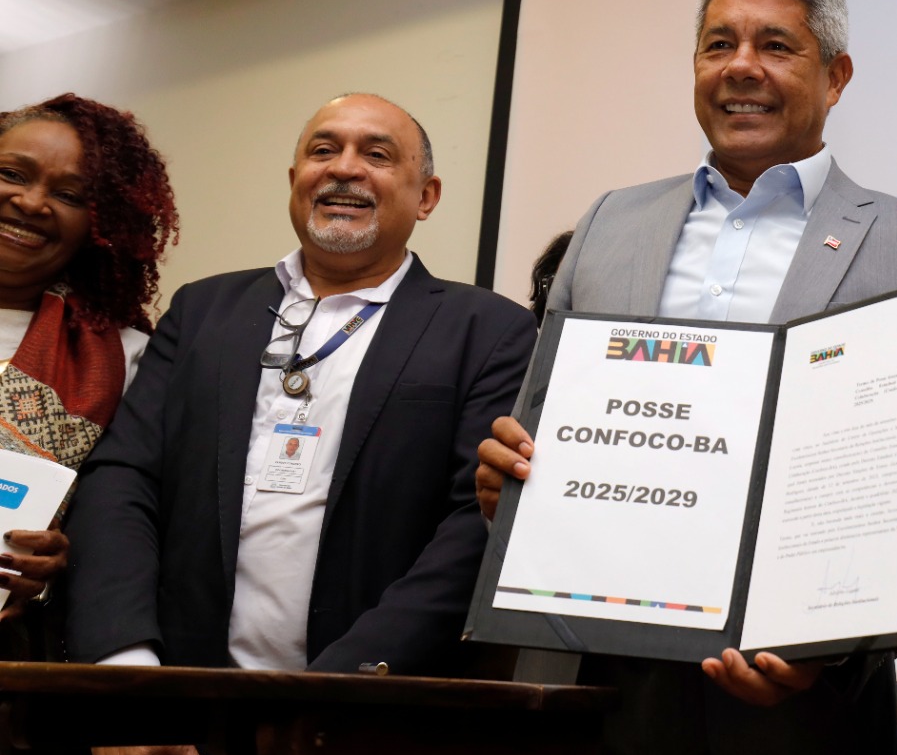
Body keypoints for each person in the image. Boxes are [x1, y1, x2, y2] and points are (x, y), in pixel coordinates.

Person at [477, 0, 897, 755]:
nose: (741, 68)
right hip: (595, 677)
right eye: (719, 45)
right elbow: (537, 421)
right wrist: (512, 481)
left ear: (836, 77)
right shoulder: (609, 222)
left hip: (794, 695)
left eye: (776, 46)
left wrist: (828, 653)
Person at [65, 94, 537, 692]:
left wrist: (338, 686)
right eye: (323, 150)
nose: (344, 167)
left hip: (373, 707)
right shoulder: (203, 310)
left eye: (377, 155)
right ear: (295, 181)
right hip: (178, 695)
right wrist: (127, 664)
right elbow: (123, 477)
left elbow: (477, 518)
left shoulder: (488, 330)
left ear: (426, 197)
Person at [0, 94, 178, 660]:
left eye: (70, 195)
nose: (31, 203)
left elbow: (120, 530)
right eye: (12, 174)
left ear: (102, 226)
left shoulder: (126, 359)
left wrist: (57, 568)